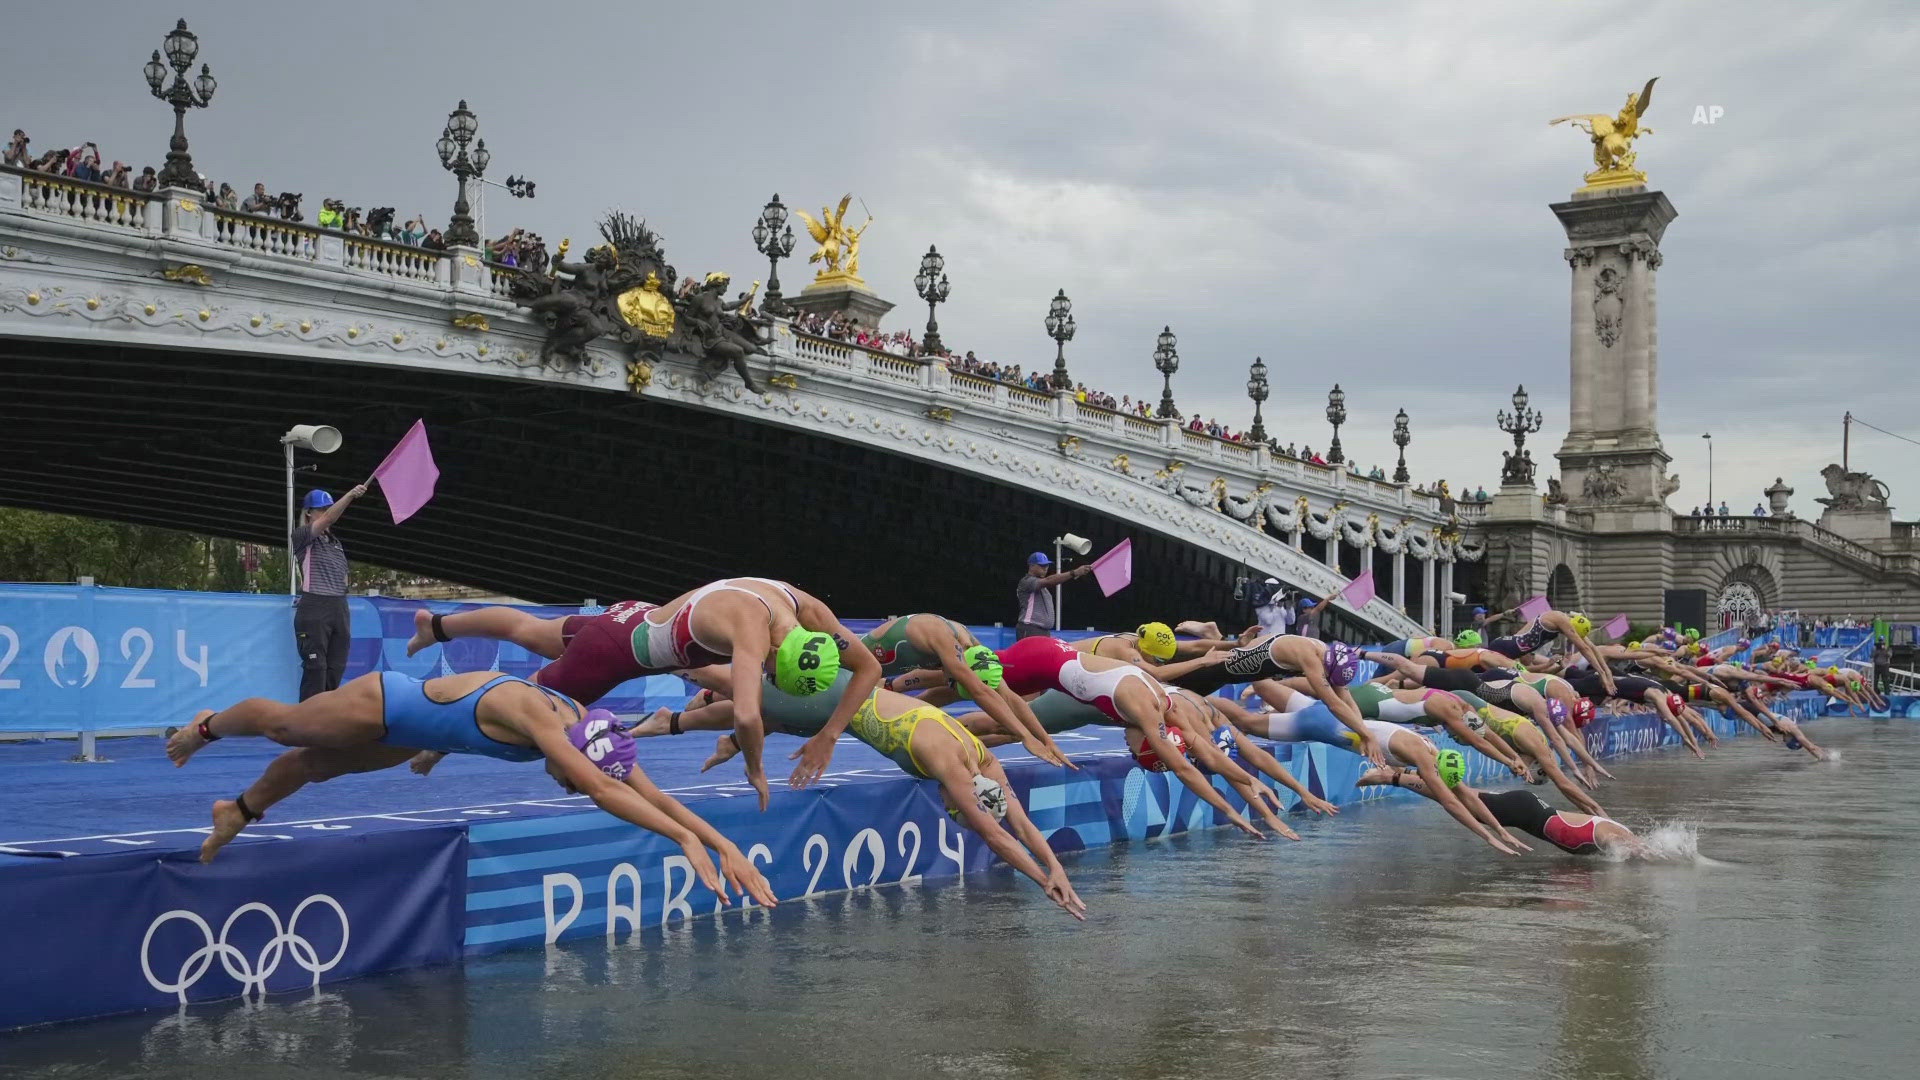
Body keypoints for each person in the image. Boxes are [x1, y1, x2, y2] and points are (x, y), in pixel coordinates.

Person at [163, 670, 773, 910]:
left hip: (421, 731)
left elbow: (649, 792)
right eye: (570, 783)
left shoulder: (593, 729)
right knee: (285, 726)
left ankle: (238, 810)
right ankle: (207, 727)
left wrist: (723, 845)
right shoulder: (546, 723)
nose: (567, 789)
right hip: (386, 701)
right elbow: (601, 790)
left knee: (318, 767)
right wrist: (681, 844)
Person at [629, 669, 1087, 919]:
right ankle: (664, 654)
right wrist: (1044, 881)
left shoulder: (983, 761)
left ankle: (676, 721)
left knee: (765, 719)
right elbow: (999, 836)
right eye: (958, 811)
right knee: (740, 689)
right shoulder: (952, 768)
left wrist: (1054, 869)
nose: (954, 810)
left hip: (843, 705)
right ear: (957, 800)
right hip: (835, 702)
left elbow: (1020, 821)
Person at [404, 577, 880, 803]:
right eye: (772, 676)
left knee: (532, 630)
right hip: (615, 654)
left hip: (629, 616)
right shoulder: (753, 635)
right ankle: (437, 742)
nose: (766, 678)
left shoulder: (806, 609)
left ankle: (437, 626)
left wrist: (830, 734)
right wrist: (756, 770)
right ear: (777, 655)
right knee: (526, 711)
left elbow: (868, 669)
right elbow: (749, 717)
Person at [861, 613, 1070, 766]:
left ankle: (891, 689)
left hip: (882, 668)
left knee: (947, 687)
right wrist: (1025, 737)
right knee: (948, 687)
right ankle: (889, 688)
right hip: (850, 668)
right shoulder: (945, 642)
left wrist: (1045, 739)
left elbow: (1009, 697)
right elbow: (981, 693)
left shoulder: (973, 648)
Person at [1361, 773, 1643, 857]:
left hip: (1528, 809)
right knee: (1454, 796)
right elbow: (1640, 851)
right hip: (1524, 810)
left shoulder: (1613, 836)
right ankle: (1391, 776)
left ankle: (1395, 774)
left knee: (1461, 795)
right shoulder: (1611, 836)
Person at [291, 485, 366, 700]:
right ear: (308, 513)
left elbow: (343, 577)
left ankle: (326, 720)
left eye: (328, 508)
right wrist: (350, 494)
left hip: (339, 607)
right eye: (322, 509)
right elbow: (329, 520)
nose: (327, 513)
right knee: (316, 667)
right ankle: (307, 722)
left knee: (336, 668)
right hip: (315, 606)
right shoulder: (303, 536)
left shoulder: (336, 544)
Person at [1014, 551, 1090, 639]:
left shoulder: (1041, 587)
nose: (1045, 568)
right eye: (1042, 565)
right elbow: (1049, 581)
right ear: (1031, 566)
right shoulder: (1027, 581)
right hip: (1030, 628)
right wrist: (1074, 573)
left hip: (1042, 631)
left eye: (1047, 565)